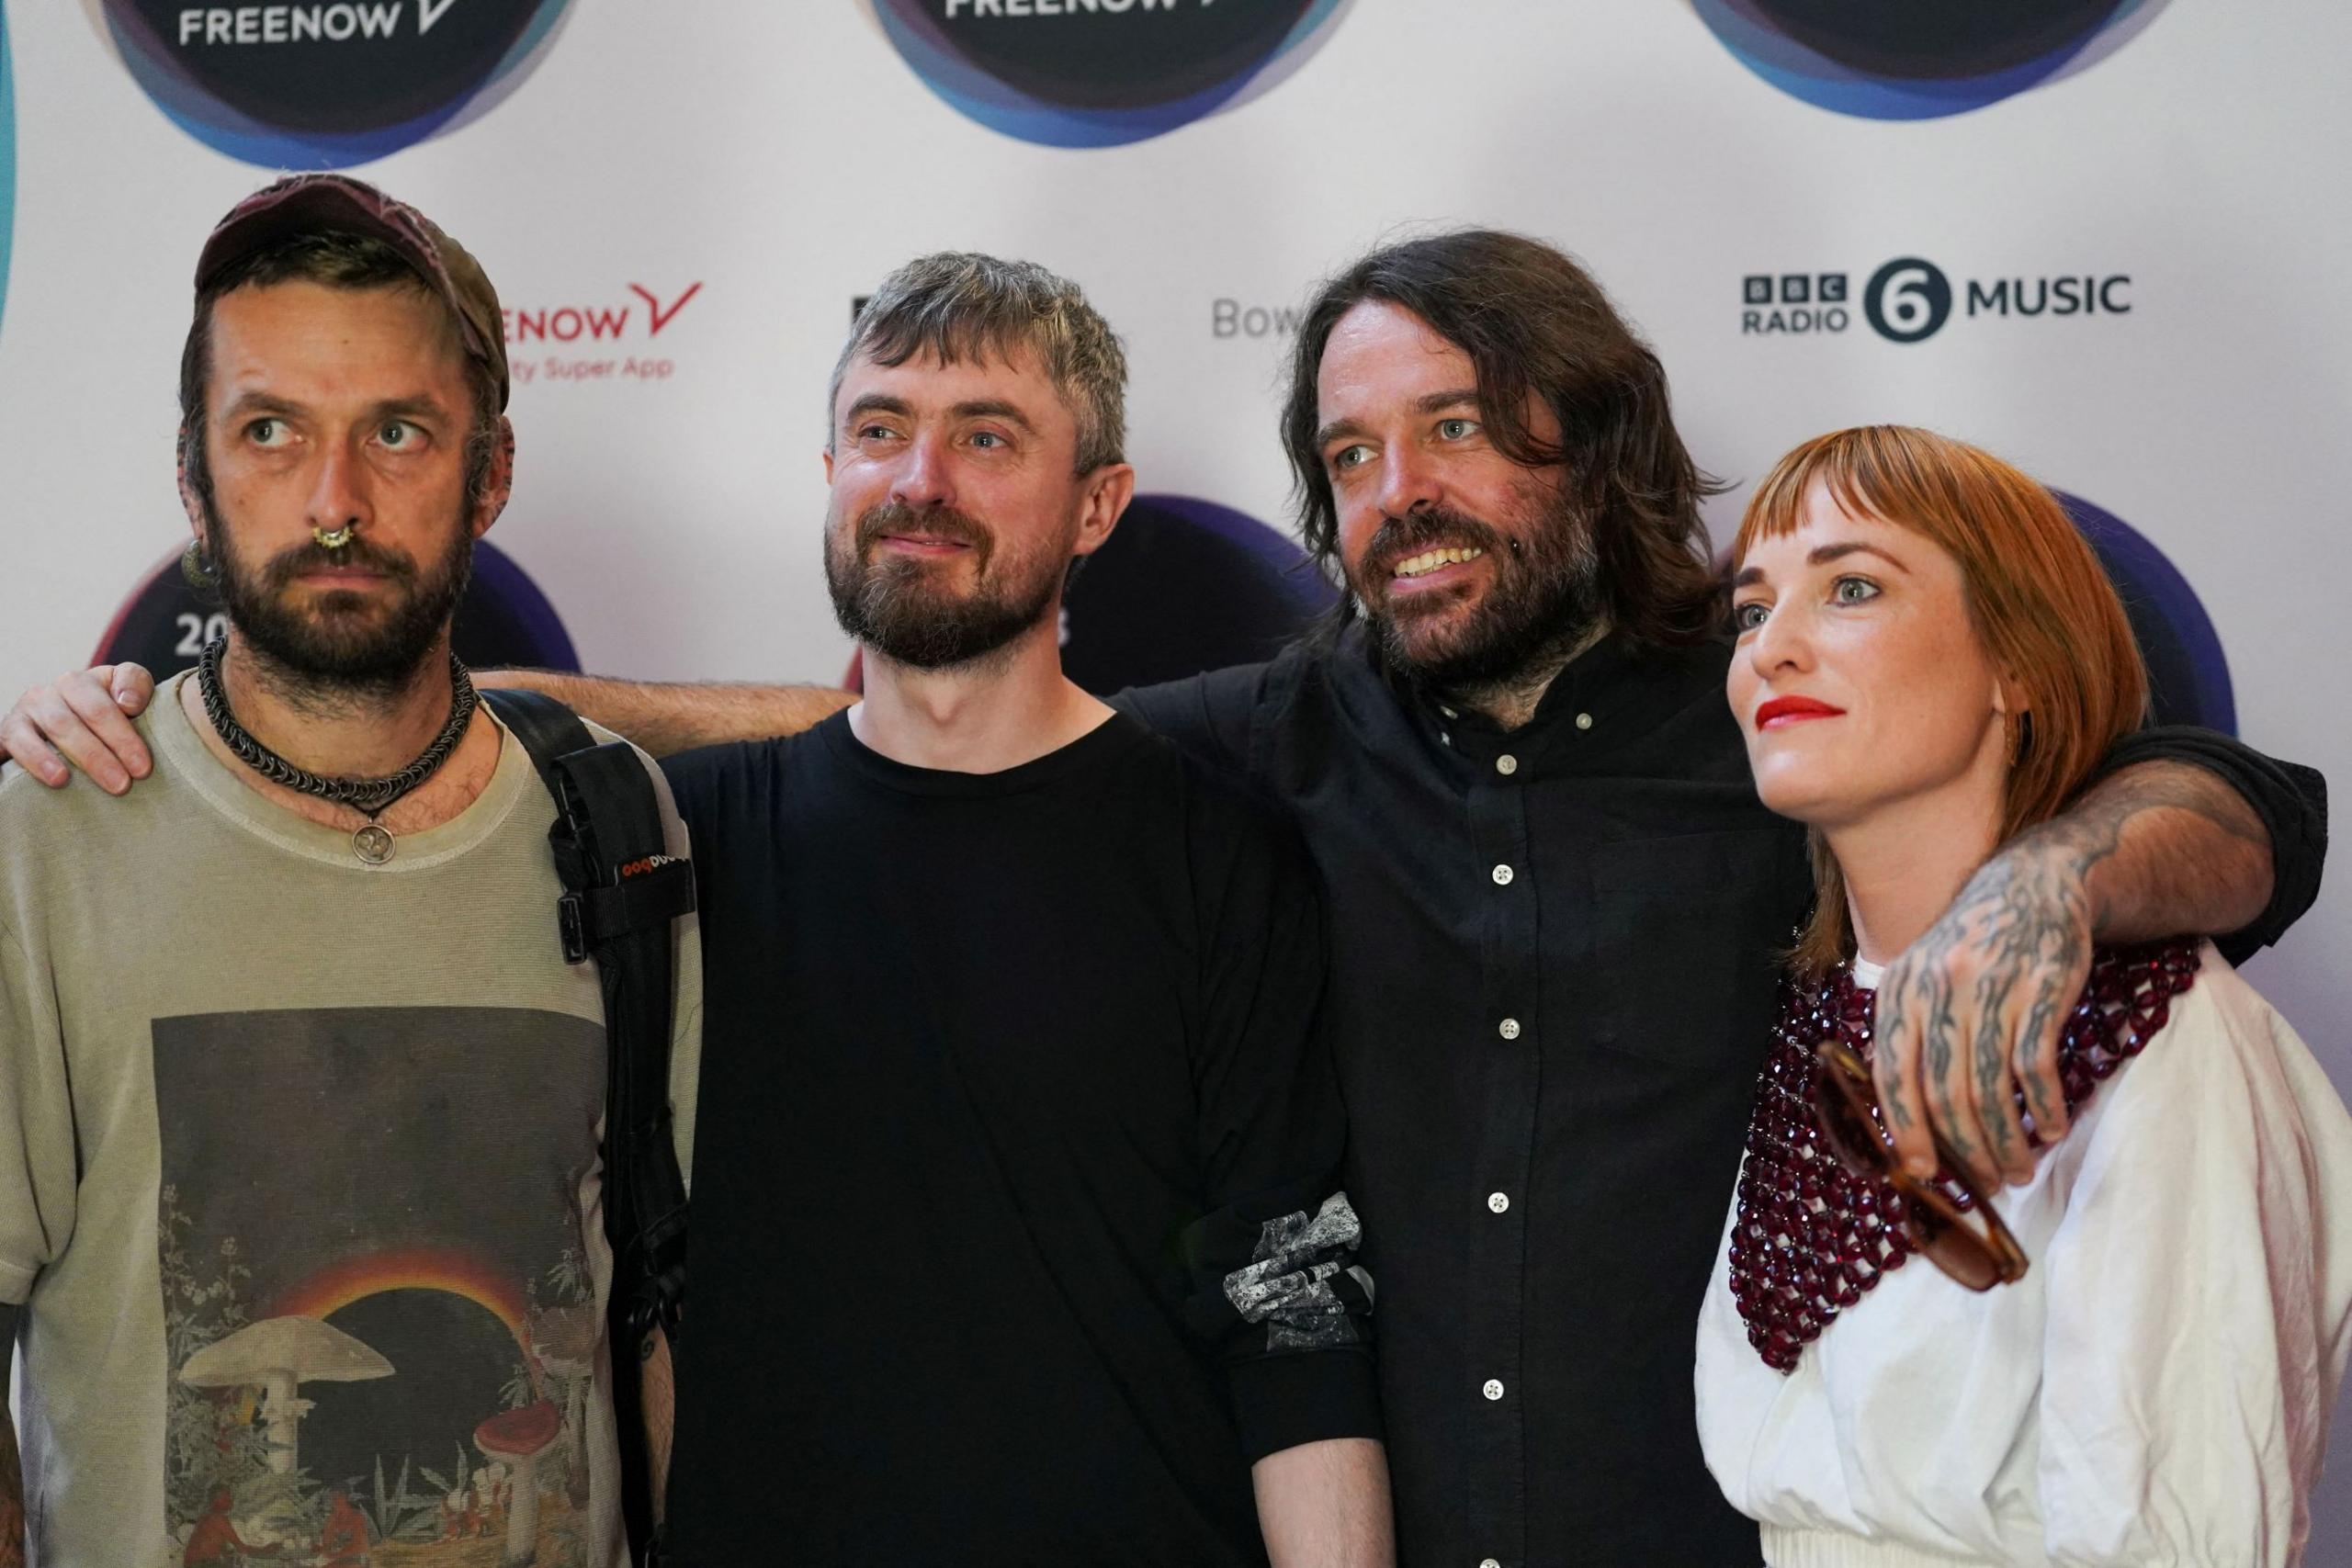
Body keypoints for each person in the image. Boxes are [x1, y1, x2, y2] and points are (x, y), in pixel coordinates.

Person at [5, 232, 2327, 1565]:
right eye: (1343, 448)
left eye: (1451, 428)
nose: (1389, 490)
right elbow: (905, 723)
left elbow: (2230, 795)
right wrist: (349, 702)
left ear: (1591, 447)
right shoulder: (1264, 741)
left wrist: (2064, 867)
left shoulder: (1758, 732)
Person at [0, 175, 700, 1567]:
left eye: (397, 430)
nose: (334, 500)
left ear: (489, 471)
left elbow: (653, 1304)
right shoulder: (50, 838)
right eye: (270, 430)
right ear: (195, 477)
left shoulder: (624, 821)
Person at [654, 252, 1389, 1564]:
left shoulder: (1221, 854)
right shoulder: (677, 840)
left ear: (1098, 503)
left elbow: (1293, 1309)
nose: (919, 479)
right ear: (831, 473)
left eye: (985, 436)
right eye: (880, 429)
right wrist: (169, 721)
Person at [1696, 424, 2352, 1565]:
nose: (1771, 651)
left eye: (1849, 588)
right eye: (1751, 611)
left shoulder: (2153, 1033)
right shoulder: (1806, 1008)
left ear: (2020, 664)